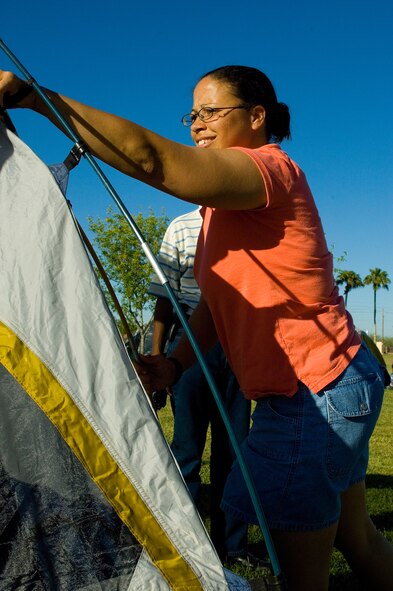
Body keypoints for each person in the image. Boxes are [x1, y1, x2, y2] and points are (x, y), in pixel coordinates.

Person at [1, 65, 392, 590]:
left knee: (302, 572)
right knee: (356, 537)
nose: (198, 124)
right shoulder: (221, 210)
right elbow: (217, 303)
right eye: (193, 115)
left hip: (313, 389)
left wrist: (32, 97)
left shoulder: (270, 171)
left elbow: (153, 159)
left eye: (212, 112)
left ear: (257, 117)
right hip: (334, 380)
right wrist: (174, 363)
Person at [149, 208, 253, 563]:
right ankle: (189, 546)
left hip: (237, 346)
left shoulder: (246, 222)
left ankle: (233, 545)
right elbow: (164, 298)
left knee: (236, 450)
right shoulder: (181, 227)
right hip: (190, 346)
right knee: (188, 450)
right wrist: (160, 358)